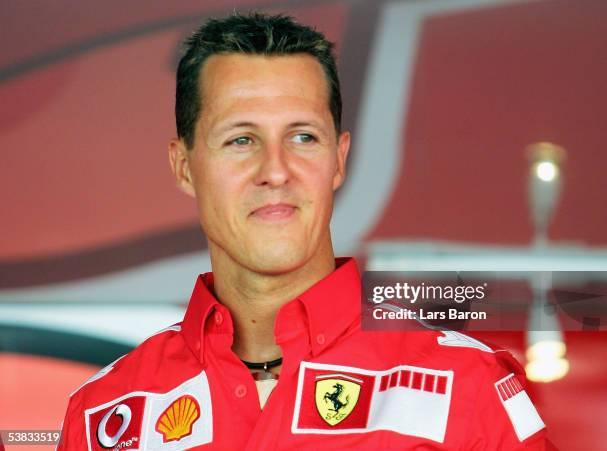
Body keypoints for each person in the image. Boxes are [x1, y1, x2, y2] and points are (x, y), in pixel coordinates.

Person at [57, 12, 551, 450]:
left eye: (302, 136)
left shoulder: (465, 384)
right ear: (184, 166)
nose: (275, 170)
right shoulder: (107, 414)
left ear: (337, 160)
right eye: (241, 139)